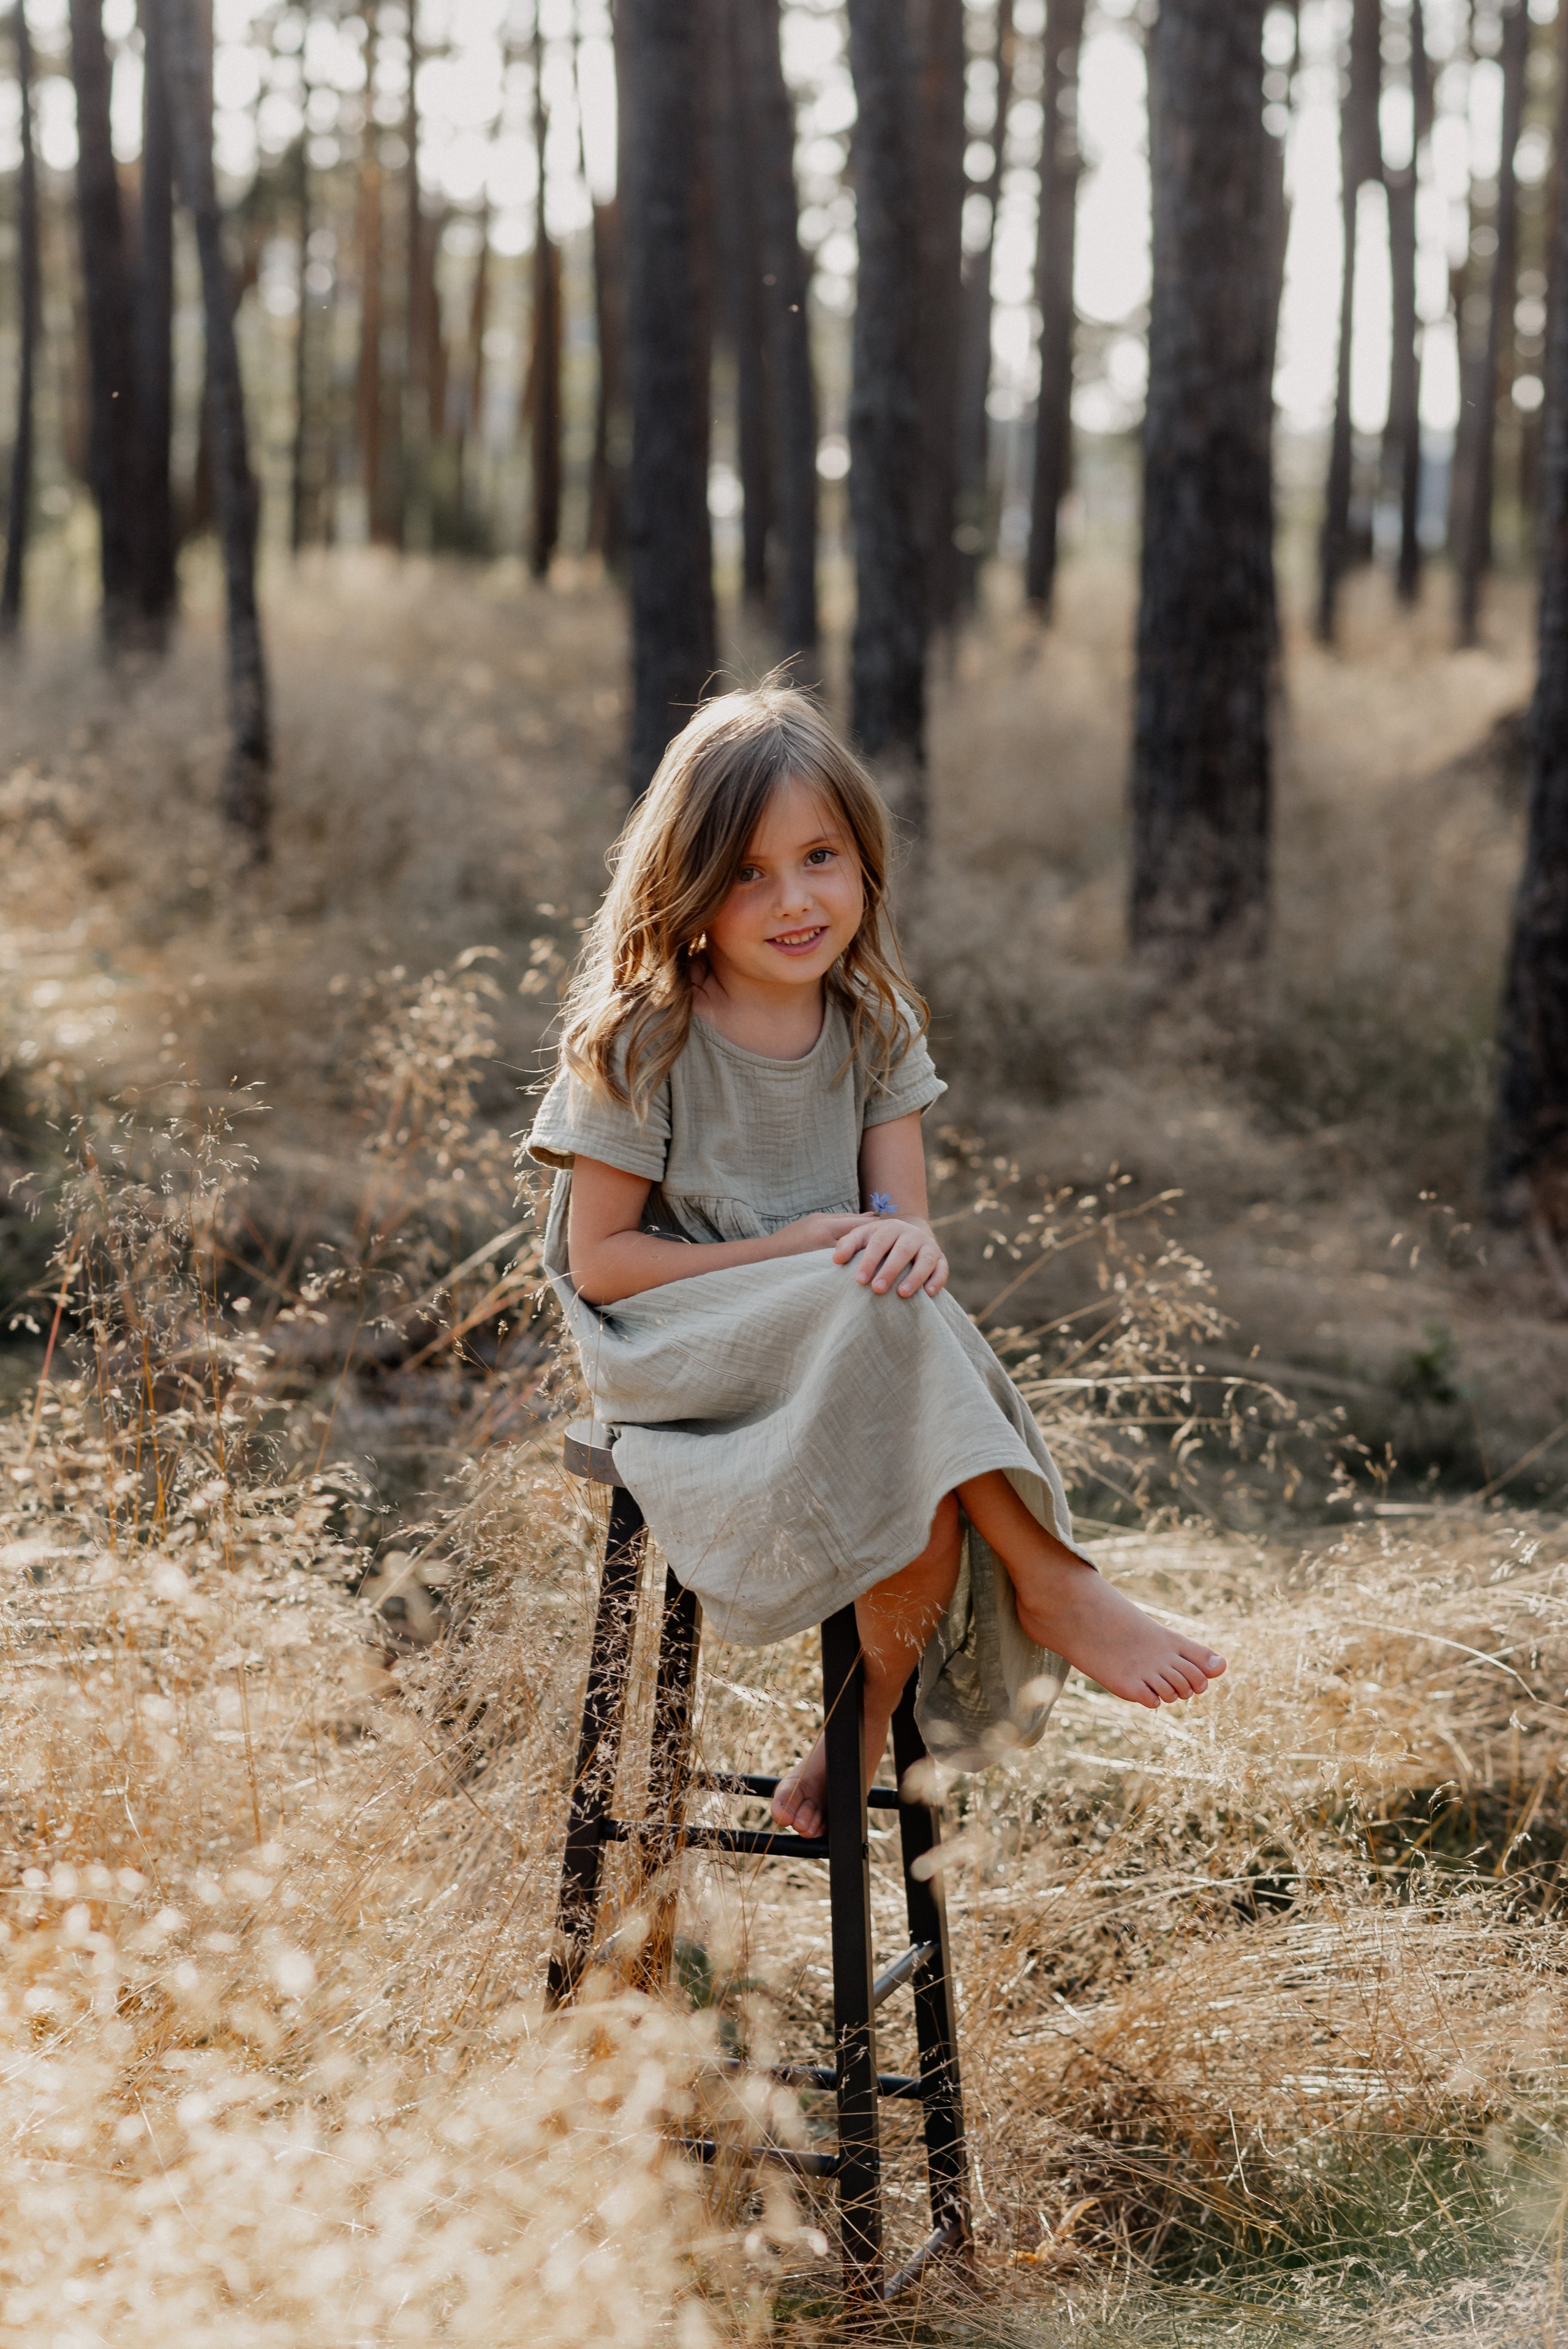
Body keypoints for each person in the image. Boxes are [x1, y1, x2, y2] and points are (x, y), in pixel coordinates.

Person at [524, 684, 1225, 1840]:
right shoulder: (645, 1038)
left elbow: (902, 1225)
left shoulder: (874, 1024)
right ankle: (1052, 1581)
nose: (794, 900)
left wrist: (885, 1234)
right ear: (686, 886)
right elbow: (600, 1266)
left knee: (902, 1353)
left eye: (820, 857)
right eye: (748, 873)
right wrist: (798, 1245)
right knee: (876, 1301)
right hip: (677, 1349)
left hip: (842, 1340)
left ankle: (862, 1717)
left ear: (866, 863)